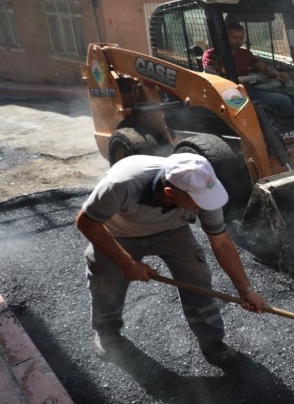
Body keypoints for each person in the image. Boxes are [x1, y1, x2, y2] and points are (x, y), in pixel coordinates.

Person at [75, 152, 267, 369]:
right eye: (198, 202)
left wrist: (245, 290)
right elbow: (86, 222)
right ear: (169, 192)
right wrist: (126, 263)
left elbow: (221, 242)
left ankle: (212, 341)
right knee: (106, 278)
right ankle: (107, 332)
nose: (205, 205)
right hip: (118, 233)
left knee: (197, 278)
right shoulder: (120, 184)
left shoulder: (204, 190)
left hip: (171, 232)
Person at [202, 23, 294, 115]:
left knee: (284, 100)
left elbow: (265, 69)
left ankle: (289, 126)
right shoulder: (211, 54)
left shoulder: (245, 54)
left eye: (241, 38)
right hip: (225, 95)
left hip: (247, 92)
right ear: (225, 37)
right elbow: (211, 73)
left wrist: (277, 74)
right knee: (244, 111)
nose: (238, 40)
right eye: (234, 37)